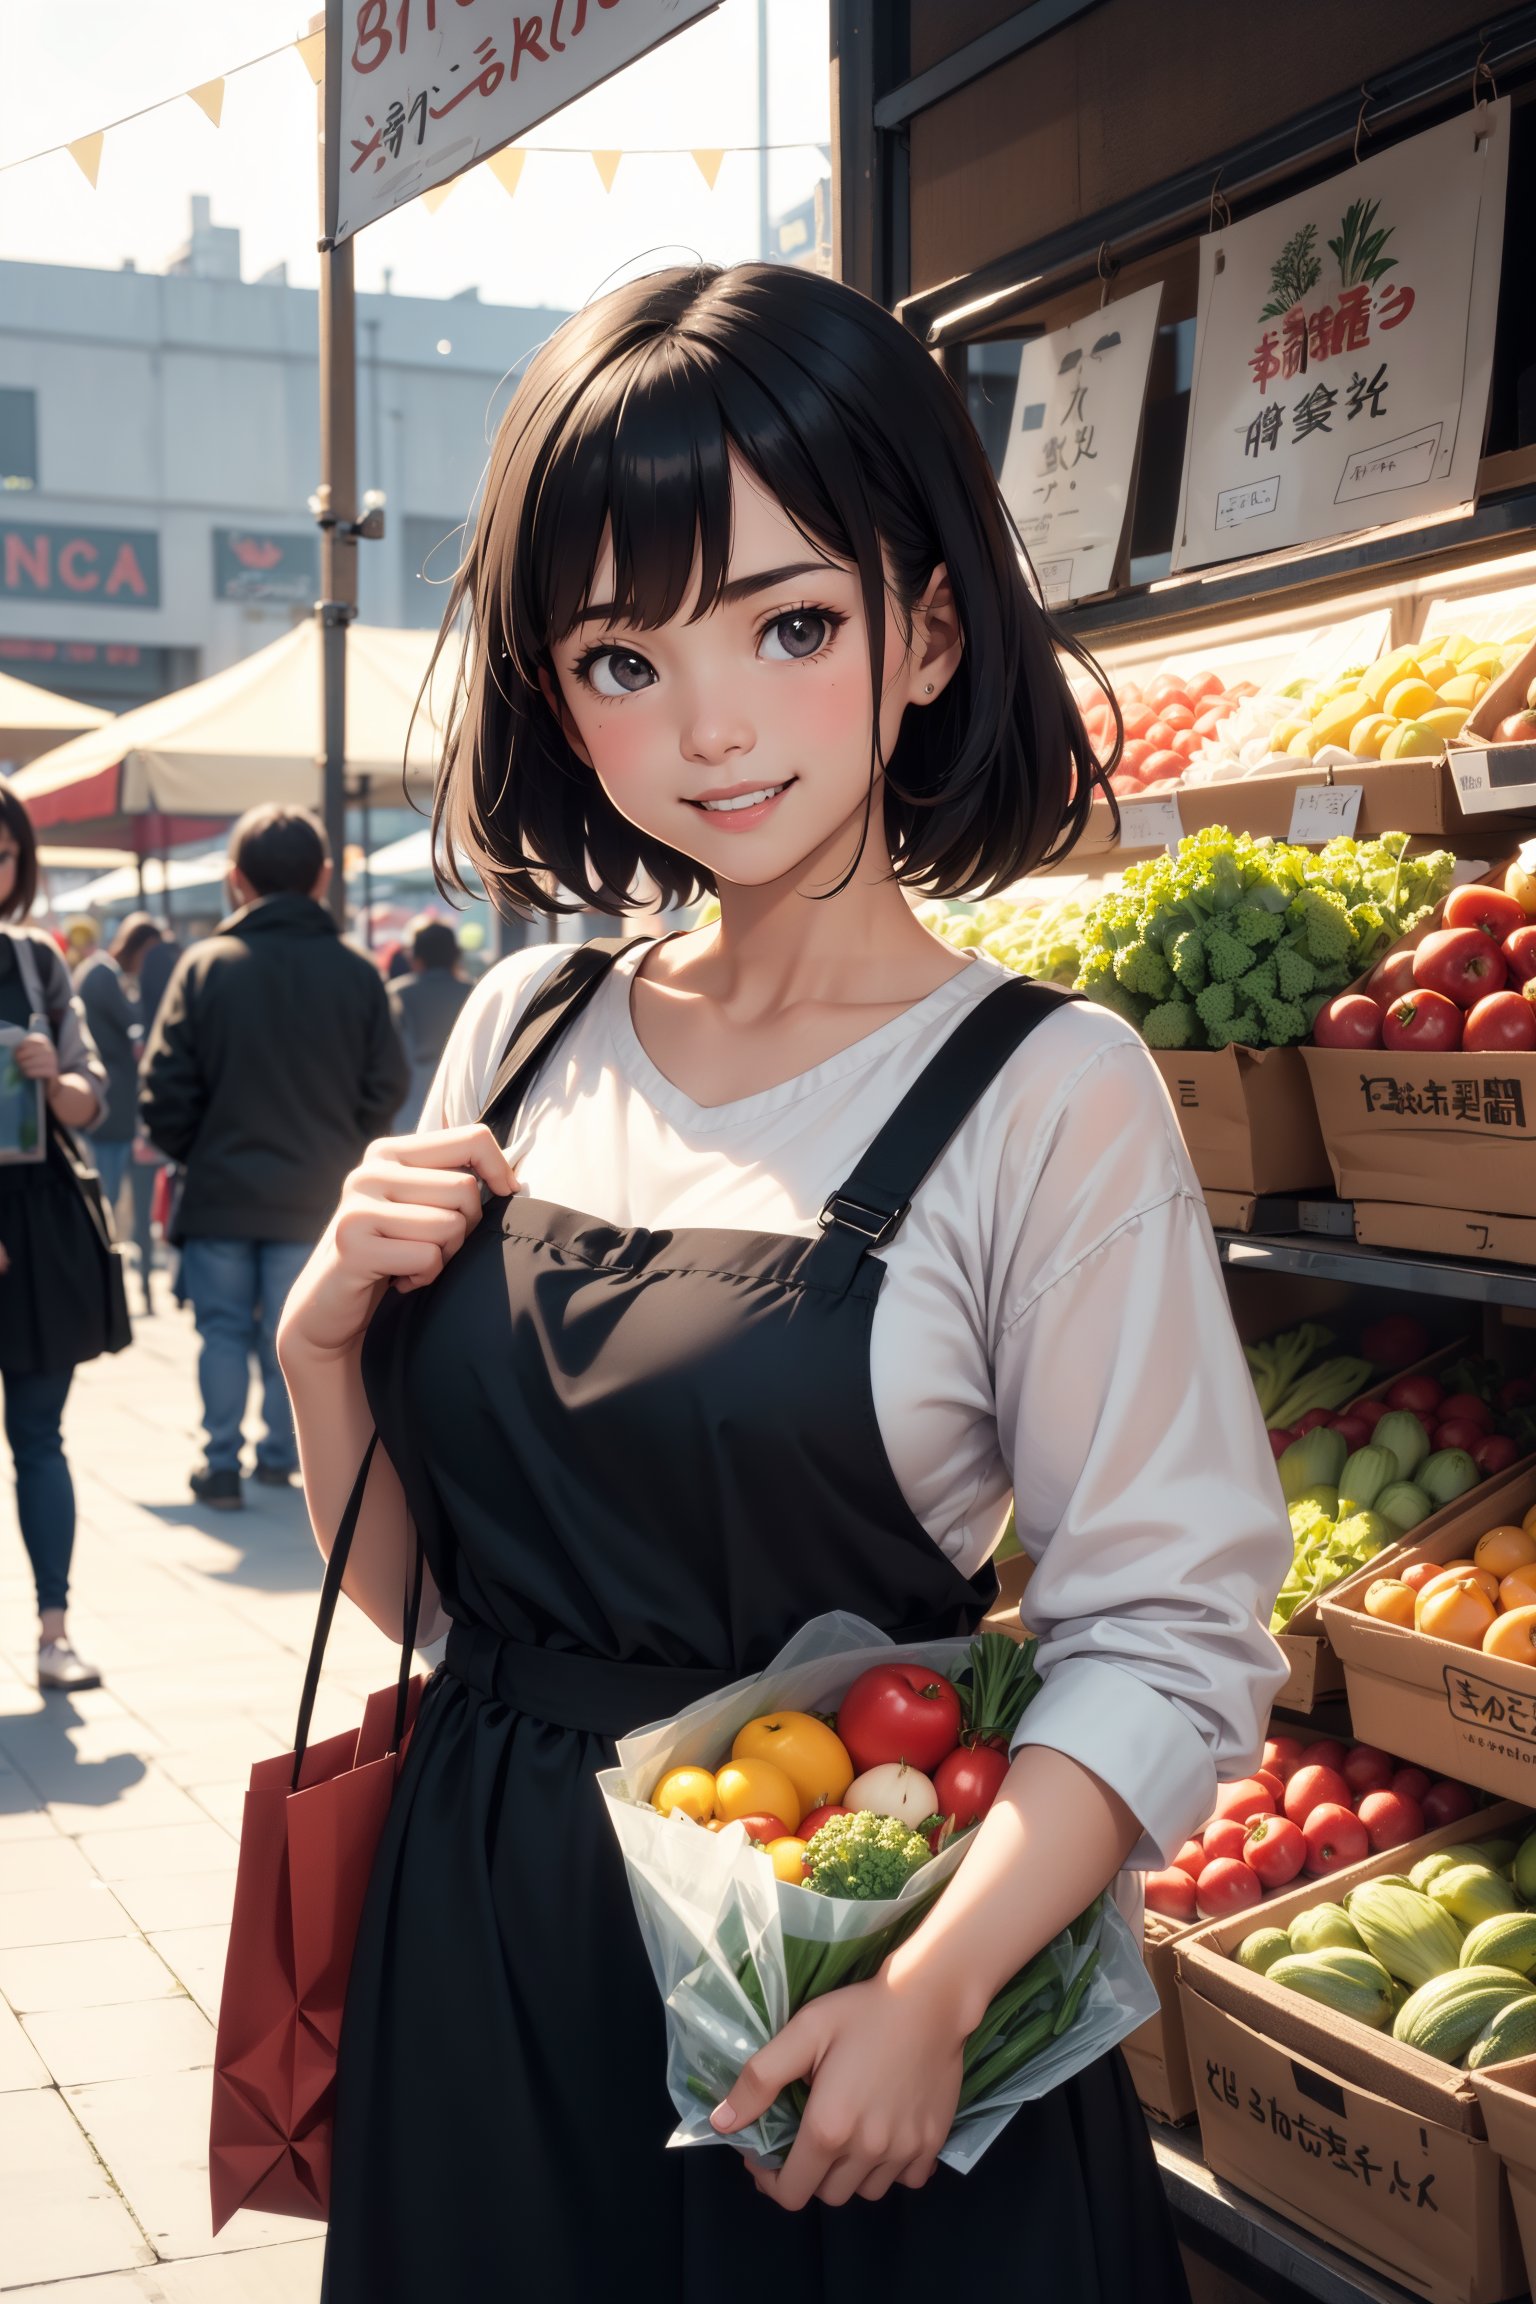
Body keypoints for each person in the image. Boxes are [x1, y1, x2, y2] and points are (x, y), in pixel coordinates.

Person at [278, 264, 1291, 2302]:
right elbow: (446, 1602)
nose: (712, 726)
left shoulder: (1049, 1092)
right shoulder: (521, 1029)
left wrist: (943, 1985)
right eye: (622, 658)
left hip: (846, 1988)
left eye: (790, 623)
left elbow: (1169, 1638)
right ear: (556, 696)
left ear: (927, 631)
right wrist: (322, 1347)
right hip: (485, 1959)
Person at [141, 807, 408, 1511]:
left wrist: (196, 1149)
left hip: (221, 1191)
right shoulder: (356, 973)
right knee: (295, 1332)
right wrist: (343, 1149)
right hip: (319, 1196)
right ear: (323, 878)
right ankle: (281, 1457)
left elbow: (162, 1089)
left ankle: (219, 1462)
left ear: (236, 880)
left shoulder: (206, 967)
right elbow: (387, 1086)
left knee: (222, 1330)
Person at [0, 787, 113, 1692]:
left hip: (35, 1232)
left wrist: (51, 1074)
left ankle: (54, 1631)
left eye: (4, 855)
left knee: (40, 1437)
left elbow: (90, 1097)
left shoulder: (37, 961)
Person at [74, 914, 161, 1248]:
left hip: (106, 1105)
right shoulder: (103, 975)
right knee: (108, 1197)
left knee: (110, 1194)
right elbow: (132, 1021)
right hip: (111, 1108)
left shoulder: (98, 973)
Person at [385, 917, 471, 1132]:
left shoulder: (396, 994)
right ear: (456, 956)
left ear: (416, 958)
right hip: (462, 1113)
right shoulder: (474, 992)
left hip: (407, 1112)